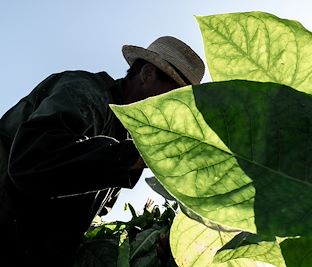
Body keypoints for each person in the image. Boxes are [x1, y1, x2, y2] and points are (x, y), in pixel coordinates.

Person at [0, 36, 205, 266]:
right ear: (147, 75)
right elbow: (29, 161)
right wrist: (135, 155)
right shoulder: (86, 93)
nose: (174, 114)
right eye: (173, 99)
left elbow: (94, 208)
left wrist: (142, 240)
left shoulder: (123, 135)